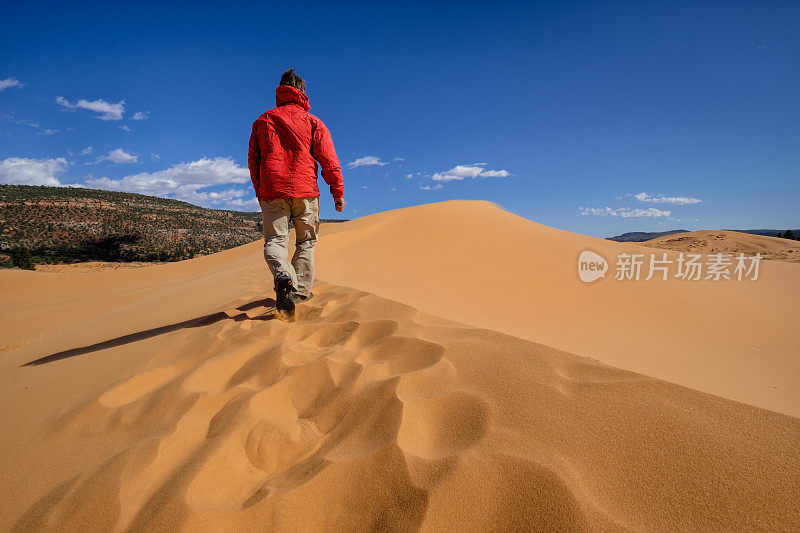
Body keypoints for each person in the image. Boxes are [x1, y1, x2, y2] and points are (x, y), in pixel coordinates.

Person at [248, 68, 345, 320]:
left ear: (279, 91)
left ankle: (283, 275)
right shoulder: (313, 122)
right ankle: (299, 292)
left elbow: (253, 161)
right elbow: (329, 159)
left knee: (275, 243)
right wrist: (337, 191)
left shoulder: (262, 121)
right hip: (306, 192)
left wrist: (261, 191)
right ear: (302, 92)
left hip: (272, 190)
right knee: (306, 243)